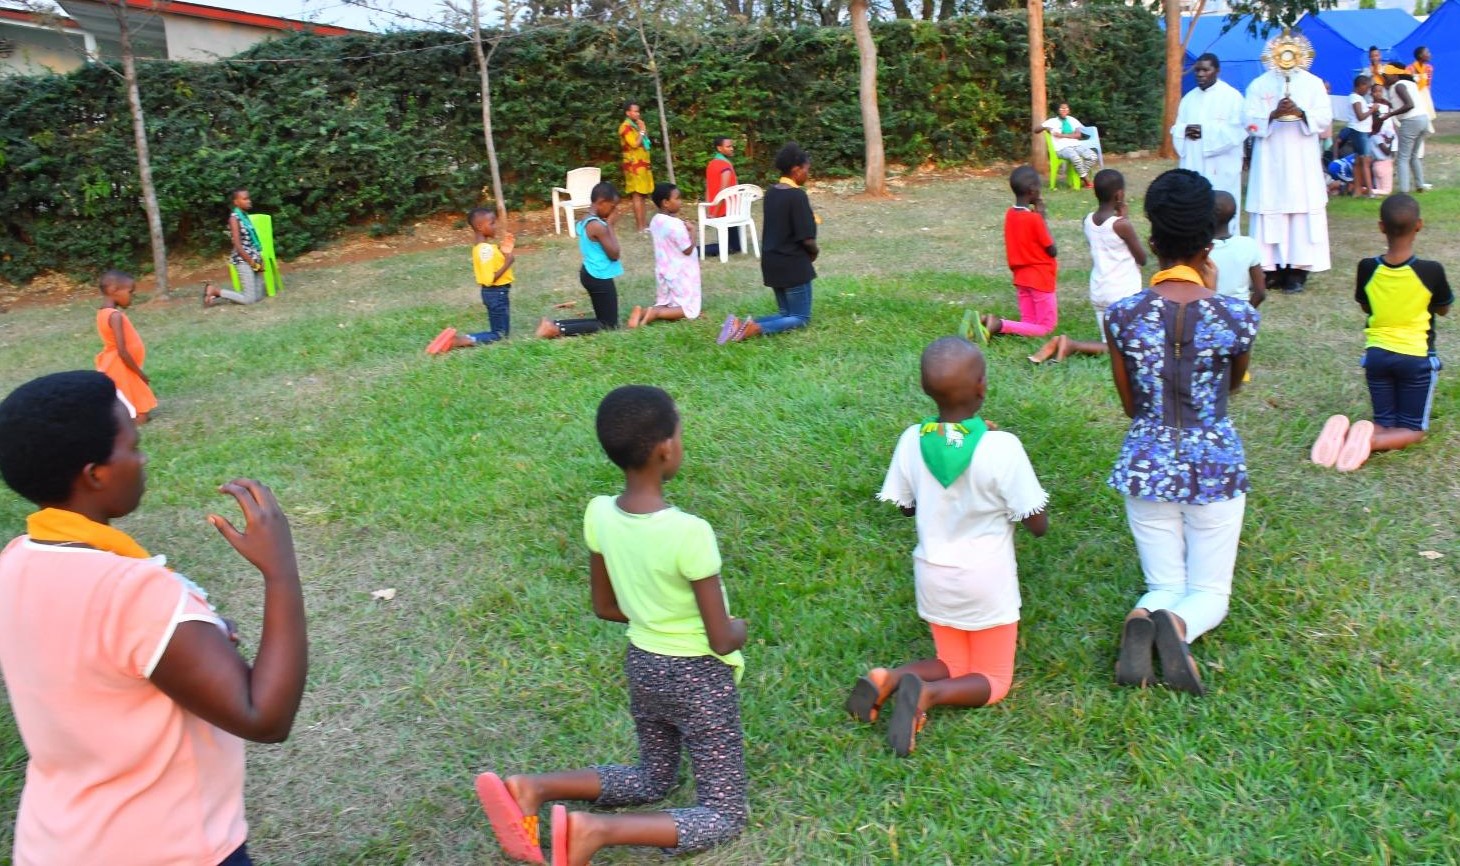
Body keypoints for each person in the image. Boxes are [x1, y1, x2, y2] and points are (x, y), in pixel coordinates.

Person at [0, 370, 308, 866]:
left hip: (53, 844)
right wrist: (281, 571)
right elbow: (265, 716)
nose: (143, 459)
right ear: (94, 474)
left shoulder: (16, 561)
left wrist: (196, 635)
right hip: (167, 849)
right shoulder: (136, 592)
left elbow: (90, 662)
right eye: (133, 446)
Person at [475, 385, 748, 866]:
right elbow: (719, 636)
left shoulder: (600, 513)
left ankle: (533, 787)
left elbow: (604, 605)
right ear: (666, 449)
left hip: (642, 665)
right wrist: (740, 628)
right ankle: (594, 830)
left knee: (653, 776)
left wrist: (651, 617)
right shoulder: (690, 532)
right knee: (724, 813)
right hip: (699, 677)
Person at [849, 337, 1048, 757]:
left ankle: (891, 678)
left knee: (953, 662)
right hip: (986, 580)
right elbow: (1038, 523)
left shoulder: (911, 440)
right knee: (993, 679)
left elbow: (906, 508)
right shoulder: (1002, 447)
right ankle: (928, 697)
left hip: (932, 572)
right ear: (981, 387)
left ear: (925, 388)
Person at [1106, 169, 1260, 697]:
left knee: (1164, 583)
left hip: (1145, 462)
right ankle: (1177, 627)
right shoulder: (1236, 316)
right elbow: (1232, 386)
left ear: (1152, 241)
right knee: (1209, 593)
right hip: (1214, 464)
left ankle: (1147, 613)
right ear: (1210, 241)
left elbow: (1131, 405)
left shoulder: (1123, 316)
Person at [1311, 195, 1452, 471]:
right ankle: (1368, 443)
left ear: (1381, 227)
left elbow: (1366, 305)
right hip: (1415, 358)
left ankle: (1348, 435)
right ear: (1419, 225)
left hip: (1376, 356)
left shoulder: (1368, 267)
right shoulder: (1431, 271)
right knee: (1414, 430)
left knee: (1386, 421)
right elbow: (1443, 309)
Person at [1029, 169, 1146, 363]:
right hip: (1123, 295)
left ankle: (1066, 344)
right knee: (1129, 348)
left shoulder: (1087, 220)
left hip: (1099, 291)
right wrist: (1126, 219)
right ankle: (1072, 345)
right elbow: (1142, 259)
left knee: (1110, 345)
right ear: (1120, 195)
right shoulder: (1122, 225)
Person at [1243, 44, 1332, 294]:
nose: (1286, 57)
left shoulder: (1313, 84)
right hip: (1269, 159)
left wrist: (1302, 114)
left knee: (1300, 209)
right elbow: (1247, 120)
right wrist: (1271, 115)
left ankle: (1297, 271)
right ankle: (1270, 269)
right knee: (1269, 207)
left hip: (1301, 158)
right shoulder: (1259, 85)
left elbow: (1325, 116)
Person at [720, 142, 818, 343]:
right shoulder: (797, 196)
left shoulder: (772, 192)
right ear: (796, 170)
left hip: (772, 262)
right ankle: (755, 329)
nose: (808, 175)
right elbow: (806, 238)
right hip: (793, 264)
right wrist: (814, 253)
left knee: (785, 313)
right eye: (806, 170)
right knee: (801, 318)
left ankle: (741, 325)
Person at [976, 165, 1057, 340]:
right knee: (1045, 328)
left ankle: (987, 321)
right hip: (1040, 278)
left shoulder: (1010, 214)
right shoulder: (1035, 219)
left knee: (1028, 323)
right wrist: (1042, 218)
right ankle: (998, 325)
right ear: (1033, 191)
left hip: (1021, 278)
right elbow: (1052, 250)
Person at [1171, 53, 1248, 234]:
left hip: (1221, 164)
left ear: (1217, 71)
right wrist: (1184, 131)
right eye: (1197, 70)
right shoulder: (1188, 99)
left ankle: (1225, 238)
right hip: (1194, 160)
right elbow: (1177, 128)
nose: (1200, 74)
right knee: (1195, 204)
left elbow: (1239, 130)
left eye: (1206, 70)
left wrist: (1205, 132)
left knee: (1221, 203)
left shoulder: (1232, 97)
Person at [539, 183, 623, 339]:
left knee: (603, 320)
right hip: (599, 276)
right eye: (613, 207)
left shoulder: (586, 219)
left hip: (590, 272)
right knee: (609, 325)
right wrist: (610, 225)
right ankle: (556, 330)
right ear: (601, 202)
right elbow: (615, 254)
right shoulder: (598, 226)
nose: (614, 211)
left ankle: (555, 324)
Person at [427, 208, 516, 354]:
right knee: (500, 335)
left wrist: (503, 250)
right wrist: (508, 262)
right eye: (492, 223)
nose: (496, 227)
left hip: (494, 294)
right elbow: (489, 279)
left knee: (498, 331)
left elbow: (491, 262)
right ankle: (461, 340)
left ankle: (460, 339)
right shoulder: (485, 249)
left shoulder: (482, 248)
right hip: (496, 292)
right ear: (480, 227)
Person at [629, 183, 701, 329]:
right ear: (666, 203)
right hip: (681, 274)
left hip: (664, 271)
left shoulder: (656, 221)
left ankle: (642, 312)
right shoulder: (675, 225)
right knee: (690, 309)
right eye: (677, 198)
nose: (680, 202)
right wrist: (693, 231)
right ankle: (656, 314)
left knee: (669, 302)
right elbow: (687, 249)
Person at [94, 270, 157, 424]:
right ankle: (114, 425)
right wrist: (140, 374)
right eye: (130, 292)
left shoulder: (104, 313)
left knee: (139, 410)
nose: (132, 297)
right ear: (113, 290)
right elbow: (122, 351)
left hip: (120, 366)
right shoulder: (115, 316)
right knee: (141, 417)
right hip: (120, 367)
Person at [204, 188, 267, 307]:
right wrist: (252, 262)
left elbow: (252, 241)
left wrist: (259, 259)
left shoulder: (245, 216)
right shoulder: (234, 218)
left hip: (254, 257)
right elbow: (237, 245)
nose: (249, 201)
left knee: (259, 296)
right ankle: (215, 291)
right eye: (245, 199)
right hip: (243, 260)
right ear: (236, 202)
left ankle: (239, 295)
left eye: (249, 198)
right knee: (249, 300)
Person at [1208, 191, 1265, 308]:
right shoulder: (1248, 244)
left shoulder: (1200, 250)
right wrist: (1246, 313)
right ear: (1235, 215)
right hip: (1240, 313)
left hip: (1208, 312)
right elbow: (1260, 293)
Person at [1384, 67, 1429, 194]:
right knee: (1414, 155)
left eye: (1386, 76)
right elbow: (1403, 103)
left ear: (1395, 75)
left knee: (1402, 157)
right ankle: (1419, 185)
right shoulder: (1409, 83)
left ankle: (1404, 190)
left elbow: (1409, 105)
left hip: (1411, 121)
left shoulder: (1399, 86)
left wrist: (1390, 114)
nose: (1384, 78)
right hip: (1423, 119)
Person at [1041, 102, 1098, 187]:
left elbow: (1078, 135)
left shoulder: (1072, 120)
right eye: (1062, 108)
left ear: (1069, 110)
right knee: (1076, 158)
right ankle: (1087, 181)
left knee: (1093, 156)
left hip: (1076, 145)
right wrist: (1045, 127)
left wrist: (1062, 135)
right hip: (1062, 148)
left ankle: (1080, 175)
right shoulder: (1052, 121)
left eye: (1066, 108)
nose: (1064, 110)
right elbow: (1036, 129)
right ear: (1057, 110)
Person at [702, 136, 741, 258]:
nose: (731, 148)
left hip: (719, 210)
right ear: (719, 148)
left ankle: (697, 249)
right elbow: (723, 192)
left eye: (731, 146)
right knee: (733, 247)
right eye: (728, 146)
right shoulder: (725, 166)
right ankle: (696, 250)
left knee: (728, 244)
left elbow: (708, 189)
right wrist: (715, 213)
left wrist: (710, 210)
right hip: (728, 211)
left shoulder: (711, 164)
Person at [618, 102, 654, 233]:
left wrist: (643, 129)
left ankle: (644, 225)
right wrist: (642, 130)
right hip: (633, 166)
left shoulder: (636, 126)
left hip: (642, 165)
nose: (637, 114)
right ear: (628, 113)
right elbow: (634, 144)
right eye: (634, 111)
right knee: (637, 195)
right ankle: (640, 227)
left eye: (638, 111)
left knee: (643, 195)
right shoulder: (625, 127)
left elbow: (646, 141)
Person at [1345, 75, 1377, 198]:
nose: (1368, 91)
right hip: (1359, 132)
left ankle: (1357, 190)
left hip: (1359, 131)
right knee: (1365, 160)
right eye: (1367, 88)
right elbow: (1360, 116)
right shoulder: (1355, 98)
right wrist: (1372, 110)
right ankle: (1370, 191)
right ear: (1361, 85)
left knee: (1358, 161)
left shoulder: (1357, 98)